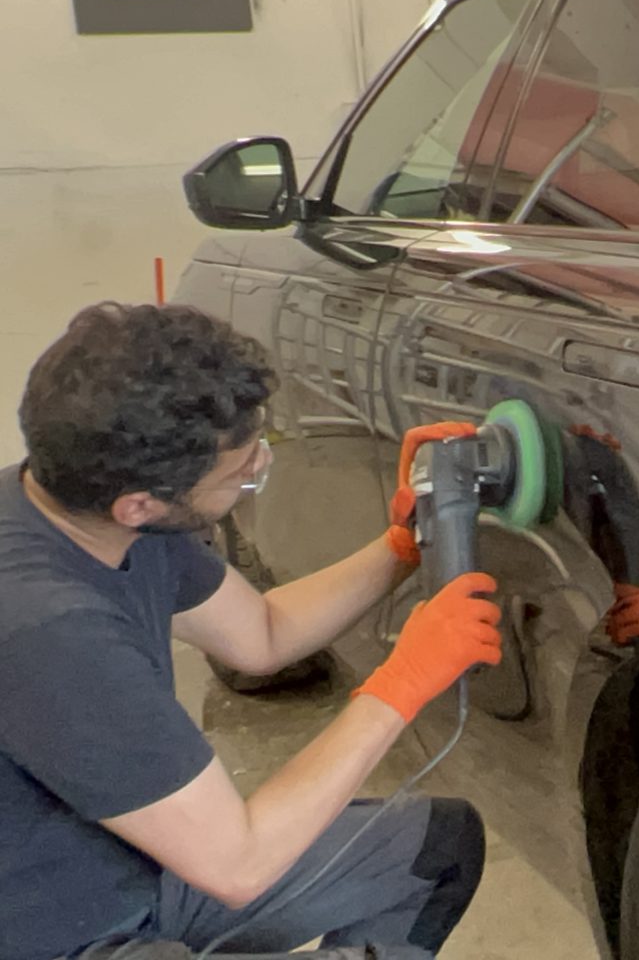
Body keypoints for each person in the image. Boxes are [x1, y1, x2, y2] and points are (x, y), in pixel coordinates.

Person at [0, 303, 503, 960]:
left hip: (129, 866)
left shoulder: (93, 507)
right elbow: (237, 865)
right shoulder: (51, 632)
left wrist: (402, 548)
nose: (257, 470)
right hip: (57, 934)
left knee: (435, 849)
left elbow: (260, 634)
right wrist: (402, 685)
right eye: (240, 471)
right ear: (140, 503)